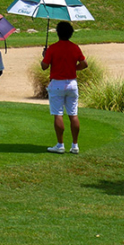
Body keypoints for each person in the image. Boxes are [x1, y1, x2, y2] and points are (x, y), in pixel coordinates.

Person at [41, 21, 88, 154]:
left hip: (57, 84)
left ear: (58, 33)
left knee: (58, 114)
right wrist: (74, 68)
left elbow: (44, 66)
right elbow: (84, 64)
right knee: (73, 114)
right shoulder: (75, 47)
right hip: (72, 83)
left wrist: (44, 56)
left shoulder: (53, 48)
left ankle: (60, 145)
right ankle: (75, 145)